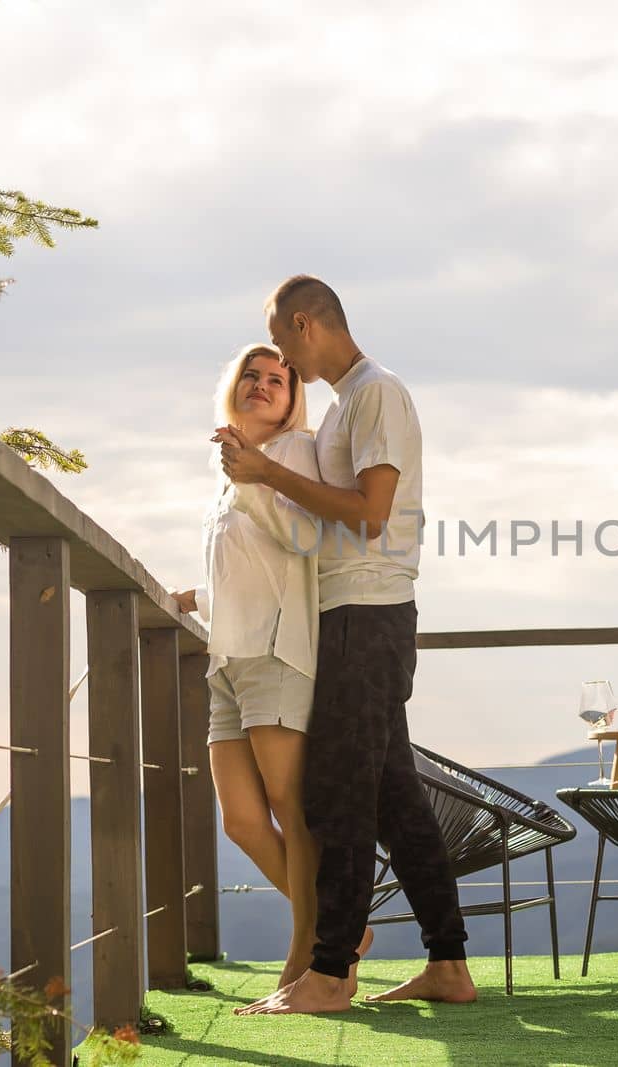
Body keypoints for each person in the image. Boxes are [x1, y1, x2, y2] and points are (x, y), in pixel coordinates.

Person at [217, 275, 476, 1015]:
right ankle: (449, 962)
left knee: (340, 796)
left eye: (282, 342)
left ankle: (329, 972)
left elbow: (369, 514)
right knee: (396, 801)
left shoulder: (376, 394)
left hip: (369, 615)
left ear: (305, 325)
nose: (282, 361)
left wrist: (266, 471)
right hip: (347, 614)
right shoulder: (341, 409)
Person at [170, 343, 324, 997]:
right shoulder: (224, 472)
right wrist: (191, 597)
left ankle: (307, 961)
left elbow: (305, 538)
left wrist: (254, 475)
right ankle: (339, 927)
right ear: (233, 387)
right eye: (253, 376)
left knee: (292, 809)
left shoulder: (296, 453)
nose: (264, 385)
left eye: (278, 380)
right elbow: (245, 567)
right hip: (227, 660)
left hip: (278, 654)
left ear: (293, 399)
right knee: (240, 818)